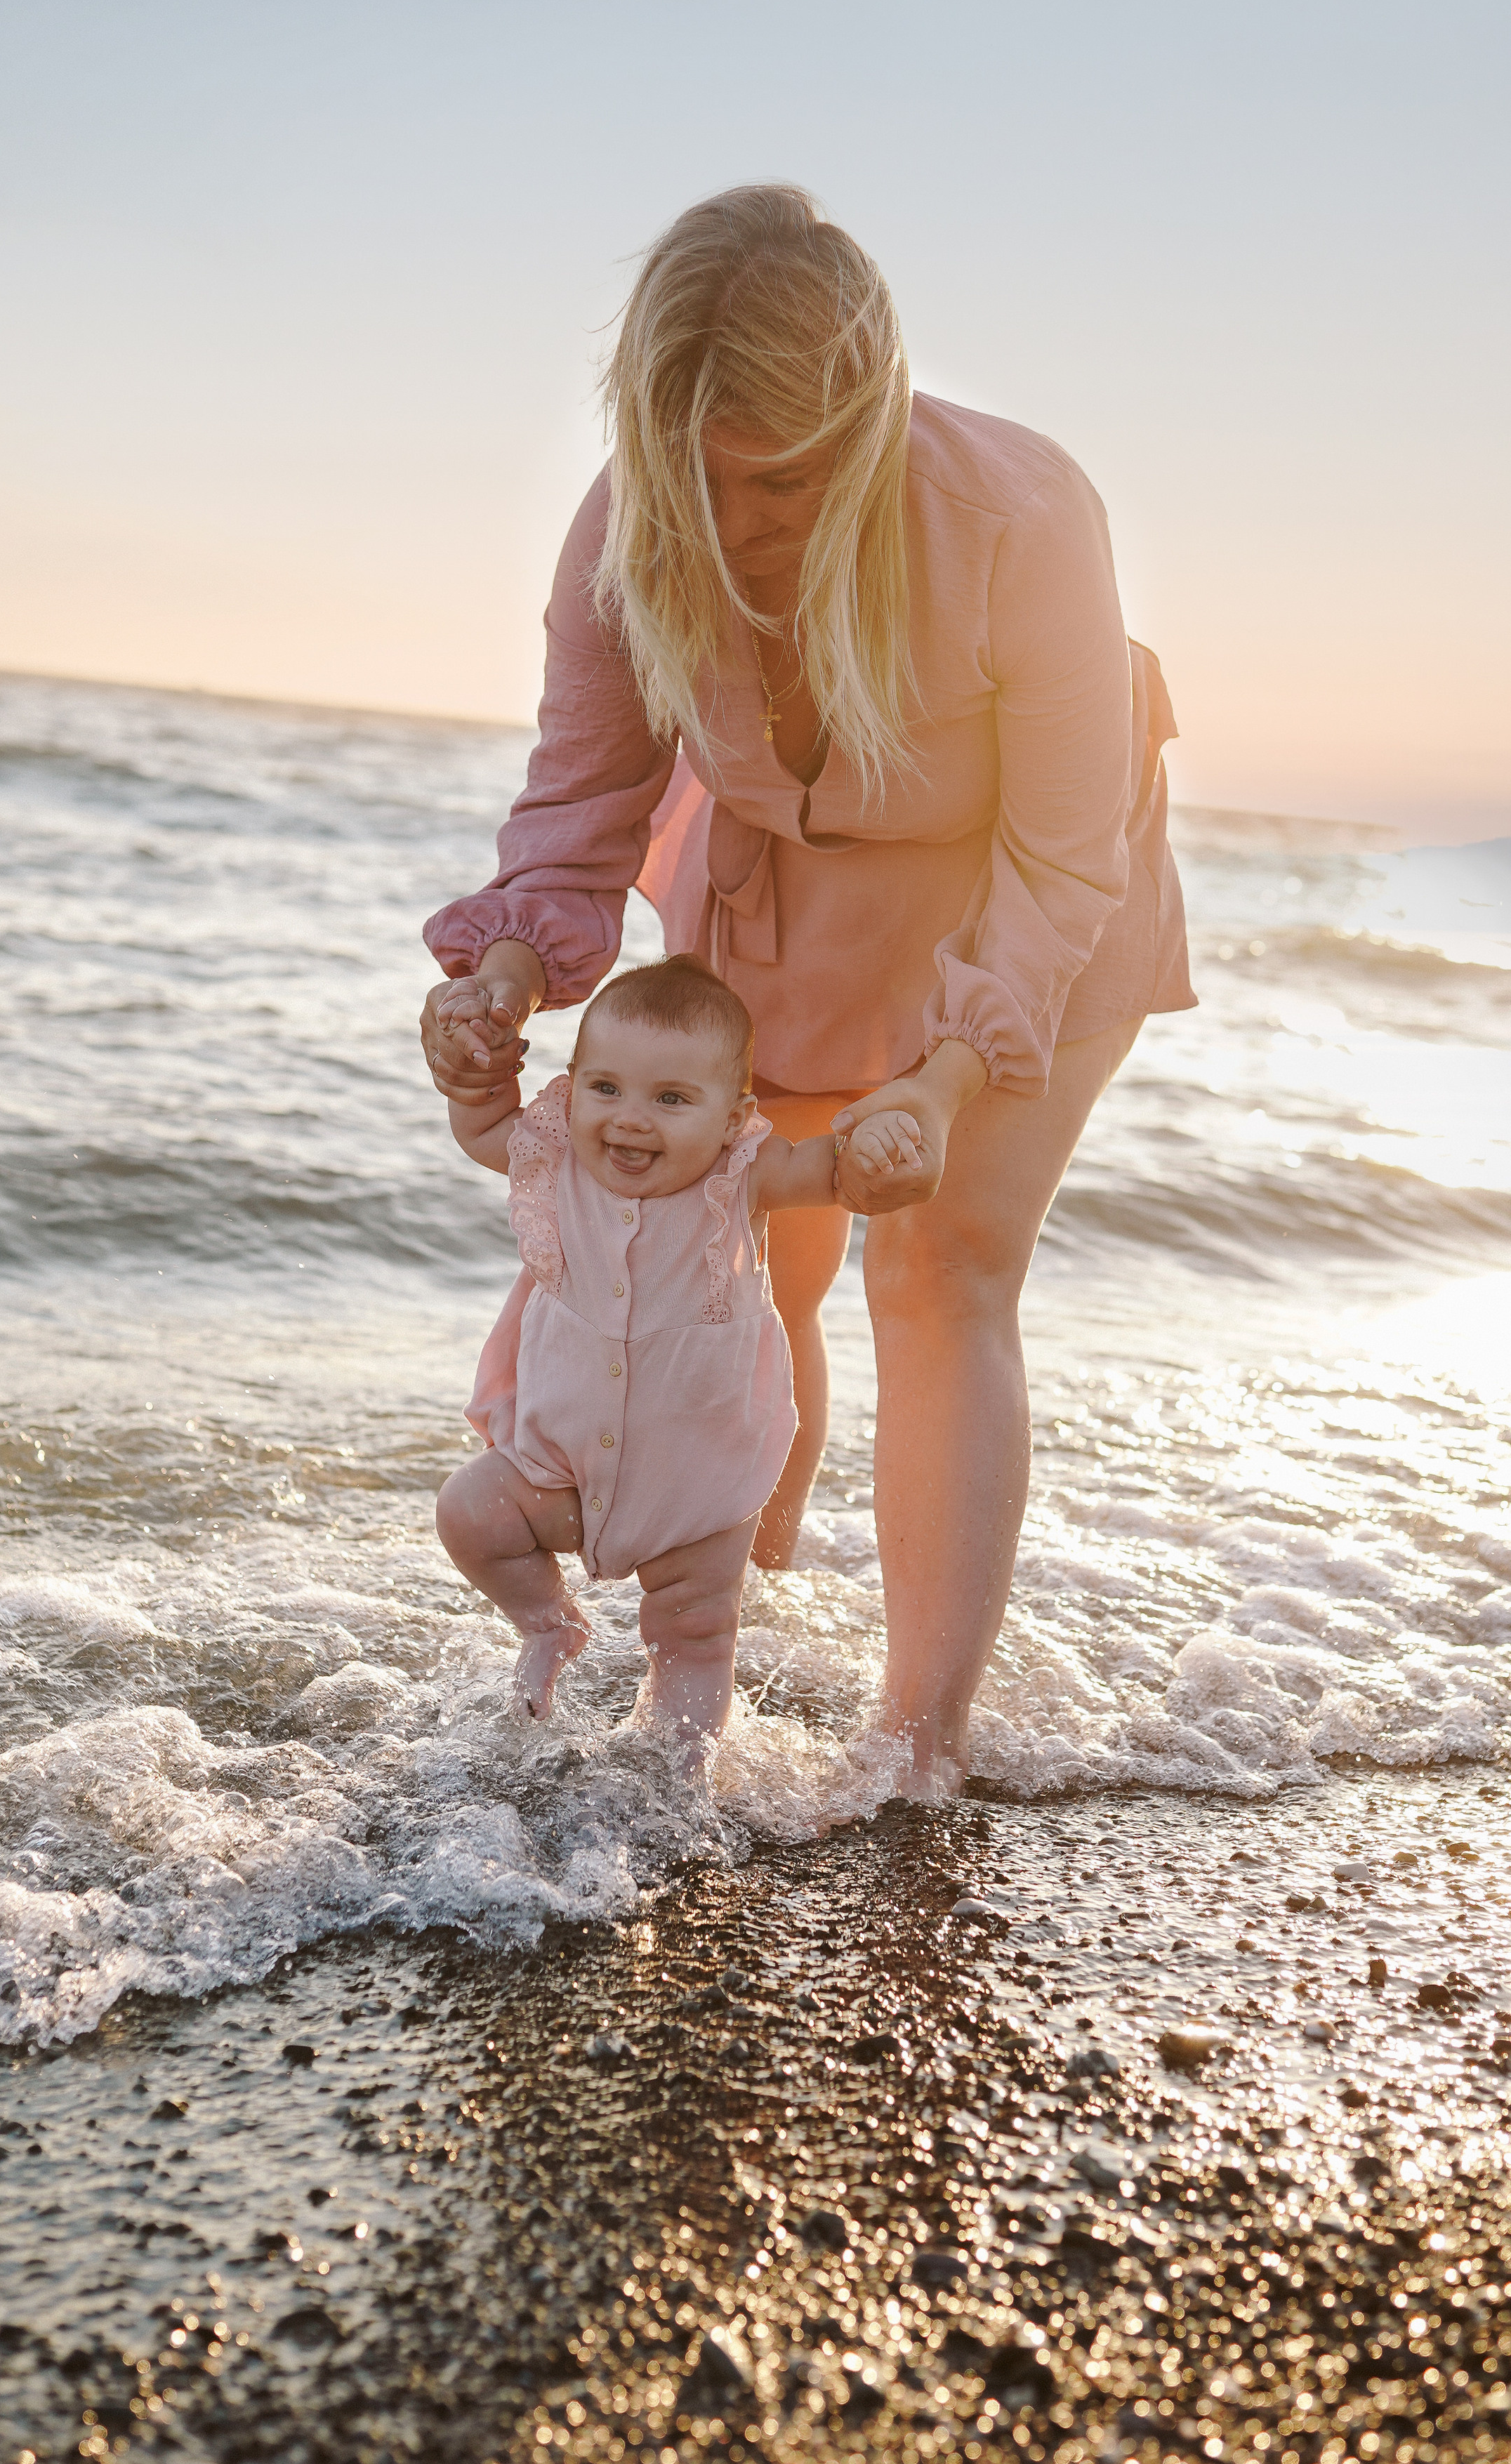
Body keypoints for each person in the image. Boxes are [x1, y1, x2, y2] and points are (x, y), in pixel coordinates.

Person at [423, 183, 1195, 1797]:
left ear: (861, 430)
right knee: (751, 1263)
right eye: (694, 478)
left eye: (773, 483)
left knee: (941, 1265)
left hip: (1026, 887)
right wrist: (509, 966)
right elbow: (583, 804)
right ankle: (733, 1618)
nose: (733, 528)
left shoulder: (1021, 514)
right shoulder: (629, 524)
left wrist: (943, 1075)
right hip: (781, 886)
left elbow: (1062, 865)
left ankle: (915, 1738)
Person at [435, 952, 922, 1765]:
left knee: (694, 1631)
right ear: (573, 1086)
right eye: (606, 1088)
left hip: (692, 1484)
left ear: (733, 1119)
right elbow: (482, 1123)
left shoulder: (740, 1176)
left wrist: (874, 1155)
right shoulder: (555, 1159)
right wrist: (475, 1060)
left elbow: (828, 1171)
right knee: (470, 1515)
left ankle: (675, 1772)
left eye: (670, 1099)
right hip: (555, 1469)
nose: (630, 1118)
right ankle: (550, 1625)